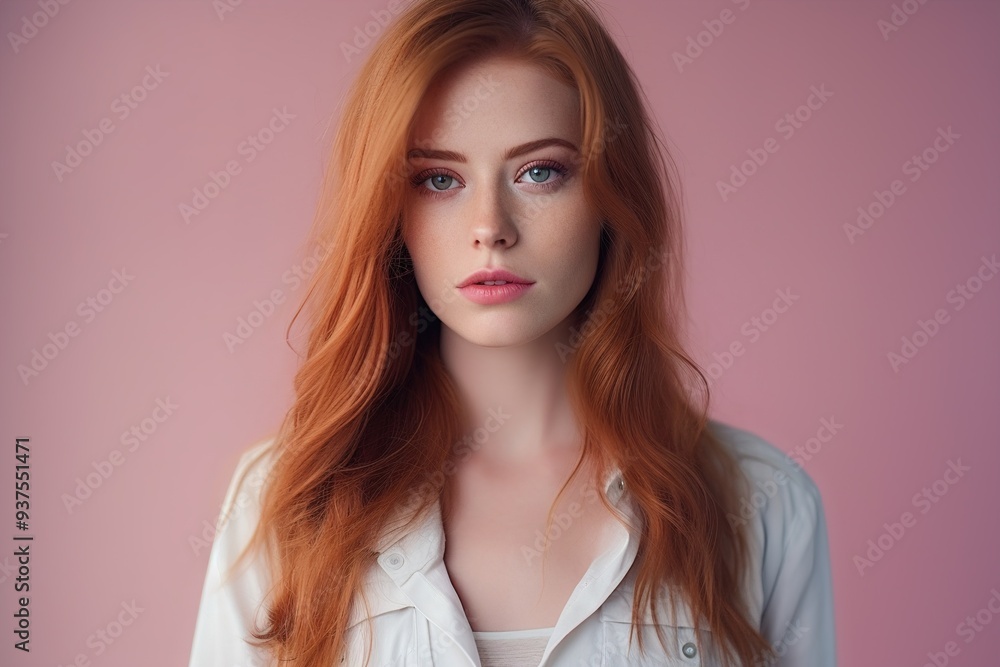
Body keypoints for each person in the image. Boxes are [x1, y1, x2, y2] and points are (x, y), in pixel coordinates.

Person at [188, 0, 837, 665]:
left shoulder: (761, 505)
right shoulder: (284, 500)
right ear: (389, 212)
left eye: (540, 172)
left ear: (613, 196)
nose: (490, 225)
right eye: (439, 179)